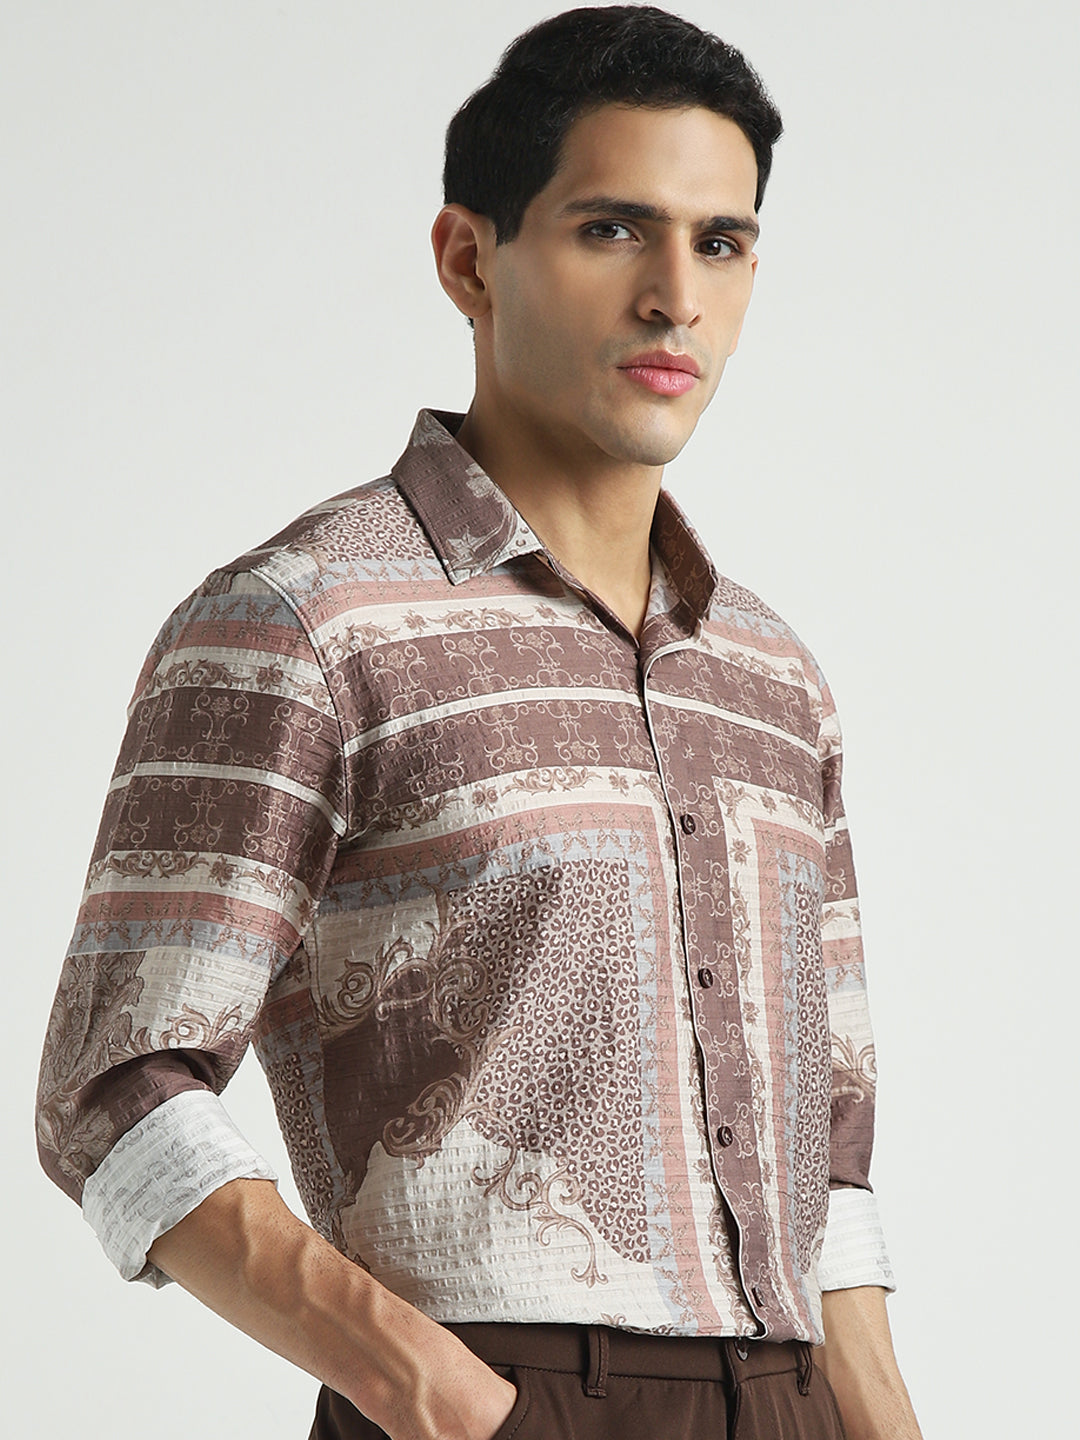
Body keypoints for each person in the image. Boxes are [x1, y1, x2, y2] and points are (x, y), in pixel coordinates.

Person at [36, 7, 922, 1438]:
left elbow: (831, 1144)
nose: (675, 298)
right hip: (501, 1397)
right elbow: (117, 1084)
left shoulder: (771, 676)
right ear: (469, 259)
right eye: (612, 229)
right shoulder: (306, 620)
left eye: (720, 242)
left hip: (799, 1396)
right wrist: (436, 1394)